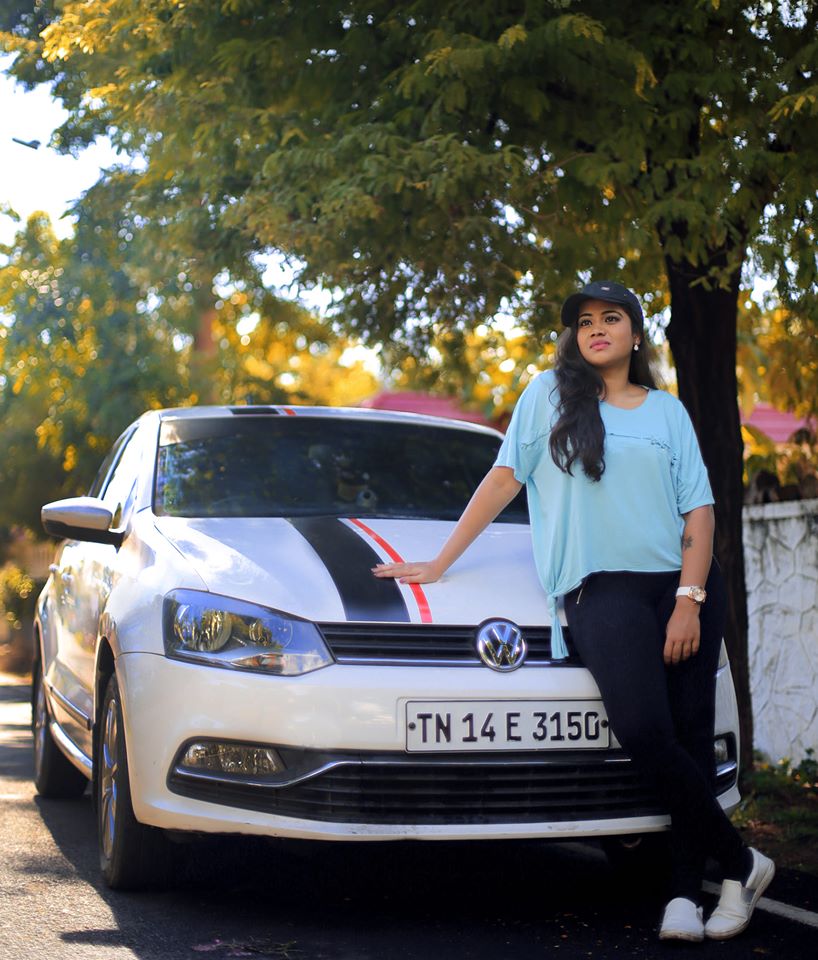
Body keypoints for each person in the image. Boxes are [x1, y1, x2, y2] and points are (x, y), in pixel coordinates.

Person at [372, 280, 774, 942]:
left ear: (635, 336)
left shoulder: (666, 411)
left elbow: (698, 511)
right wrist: (440, 562)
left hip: (683, 583)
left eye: (611, 318)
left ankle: (685, 897)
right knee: (646, 730)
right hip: (601, 589)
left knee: (691, 738)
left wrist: (689, 601)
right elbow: (504, 478)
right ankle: (740, 860)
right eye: (584, 321)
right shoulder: (547, 397)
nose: (596, 329)